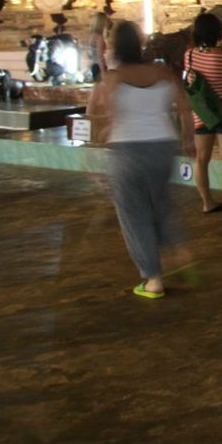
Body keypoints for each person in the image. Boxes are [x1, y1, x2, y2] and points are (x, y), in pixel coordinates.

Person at [87, 21, 196, 299]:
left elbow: (106, 120)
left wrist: (97, 145)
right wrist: (188, 141)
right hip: (162, 147)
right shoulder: (163, 72)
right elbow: (185, 107)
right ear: (140, 44)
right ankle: (180, 250)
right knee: (161, 204)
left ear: (114, 47)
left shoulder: (112, 79)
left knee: (134, 215)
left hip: (127, 150)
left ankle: (153, 279)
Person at [183, 13, 222, 213]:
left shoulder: (190, 55)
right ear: (218, 33)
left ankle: (207, 202)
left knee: (201, 159)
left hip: (202, 113)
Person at [88, 12, 109, 82]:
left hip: (94, 65)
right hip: (99, 67)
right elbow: (100, 56)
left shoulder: (92, 36)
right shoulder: (99, 37)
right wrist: (103, 72)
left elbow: (90, 55)